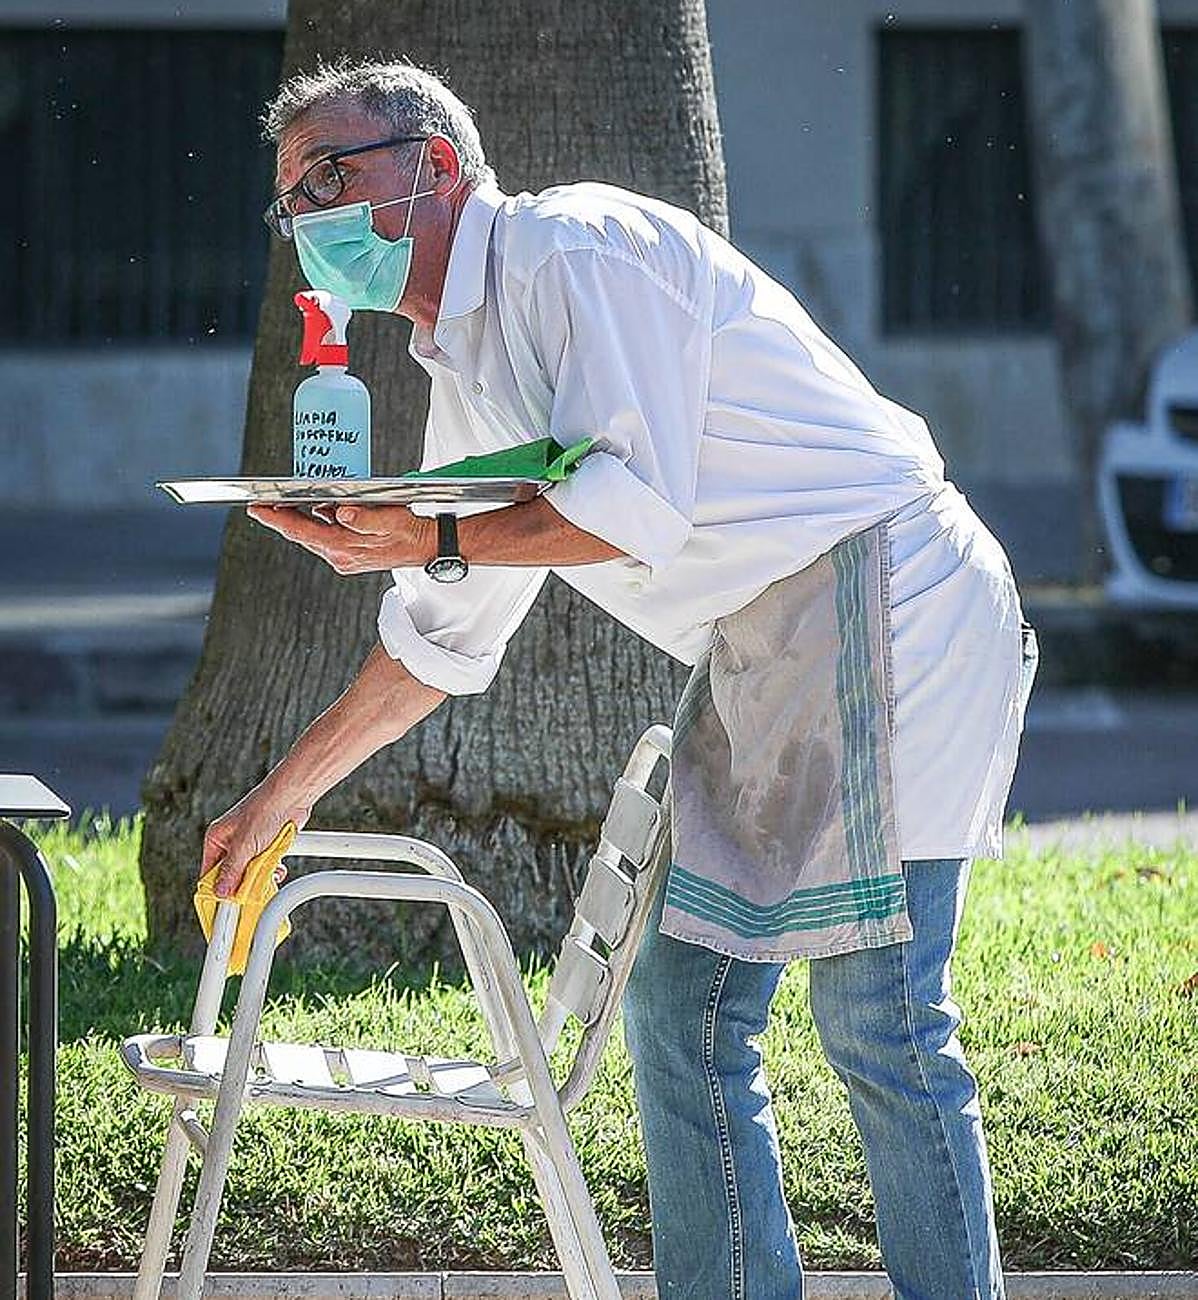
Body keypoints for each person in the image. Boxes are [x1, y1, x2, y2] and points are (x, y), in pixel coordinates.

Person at [205, 57, 1037, 1300]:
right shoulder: (462, 368)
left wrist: (424, 530)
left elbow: (627, 509)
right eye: (292, 201)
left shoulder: (571, 249)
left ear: (435, 166)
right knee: (681, 1010)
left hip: (883, 592)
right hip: (763, 641)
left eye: (333, 175)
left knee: (881, 1021)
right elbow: (444, 634)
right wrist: (280, 796)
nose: (312, 220)